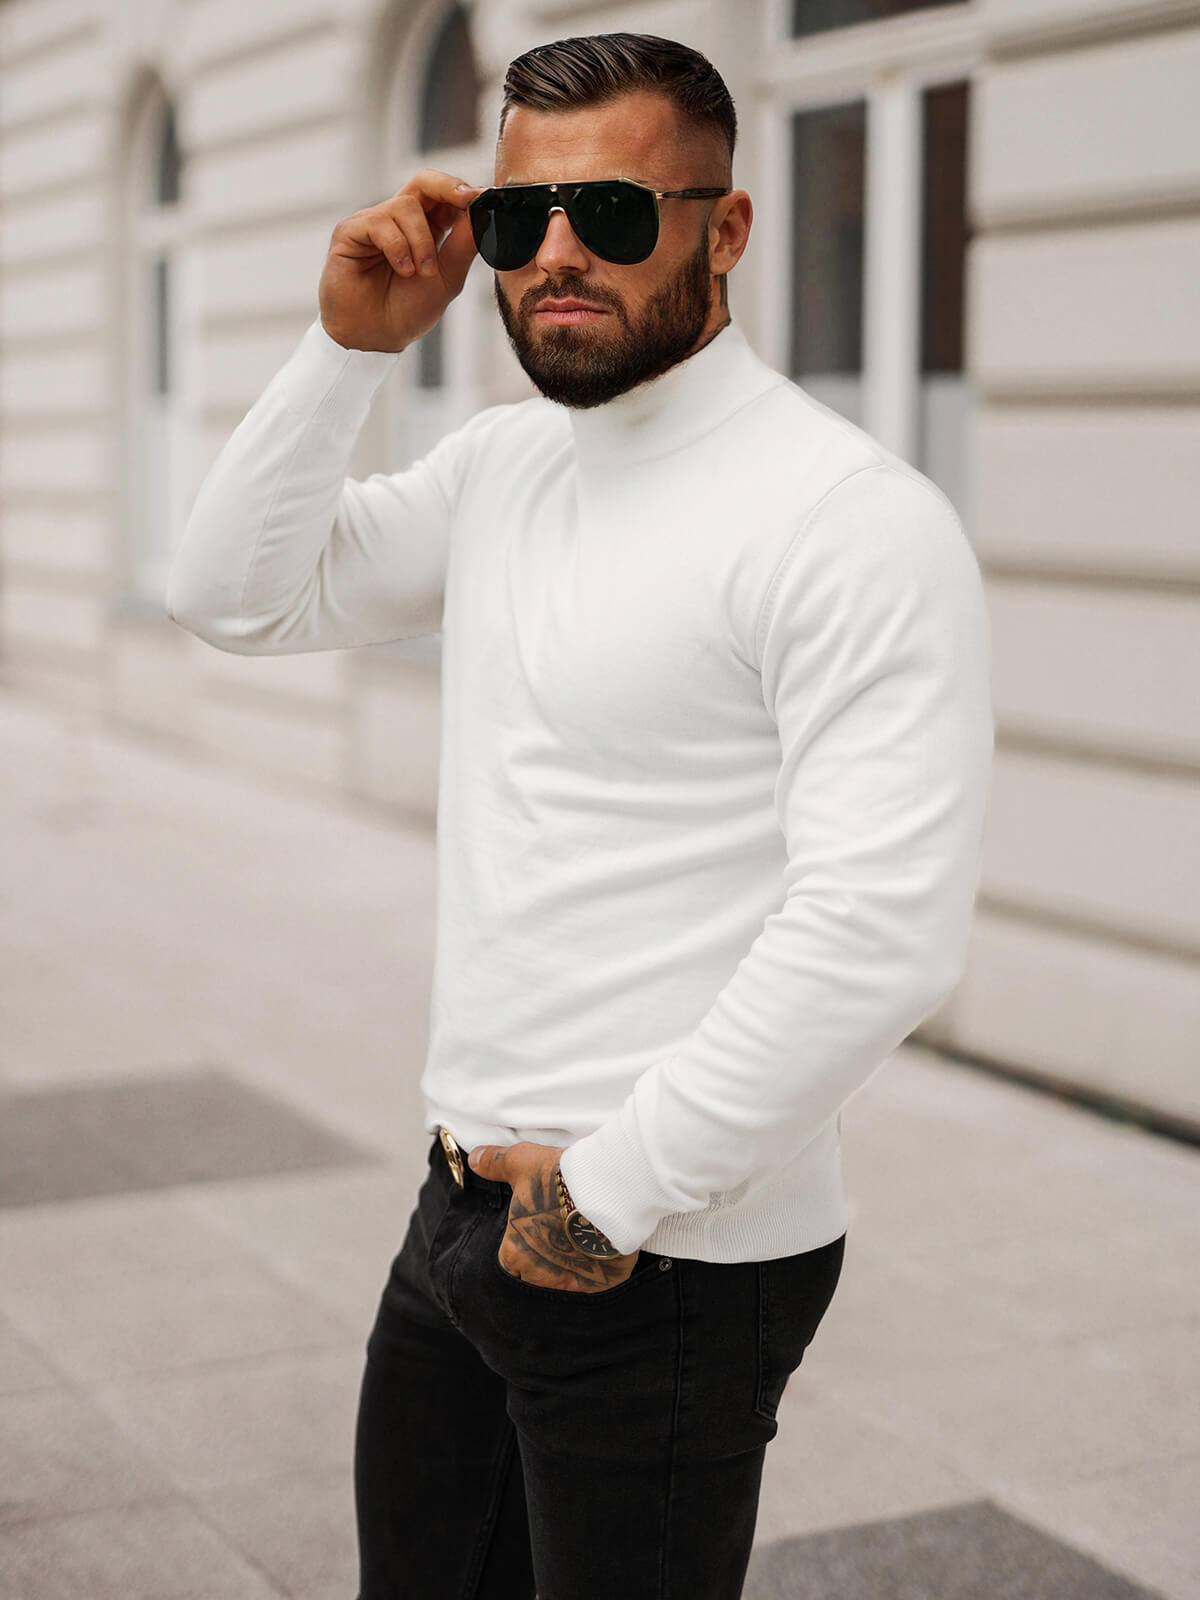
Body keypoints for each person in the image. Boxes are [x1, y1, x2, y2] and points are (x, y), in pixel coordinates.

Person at [166, 30, 993, 1600]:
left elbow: (880, 931)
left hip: (665, 1250)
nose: (557, 254)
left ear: (724, 230)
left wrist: (604, 1201)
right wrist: (346, 351)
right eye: (515, 216)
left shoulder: (849, 521)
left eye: (611, 214)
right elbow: (231, 595)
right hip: (461, 1205)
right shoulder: (503, 467)